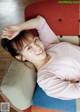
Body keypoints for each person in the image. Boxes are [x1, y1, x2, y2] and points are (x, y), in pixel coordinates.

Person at [1, 15, 80, 100]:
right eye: (29, 48)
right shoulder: (45, 77)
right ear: (21, 57)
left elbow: (41, 22)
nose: (38, 47)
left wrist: (19, 27)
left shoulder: (49, 45)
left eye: (35, 40)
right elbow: (76, 91)